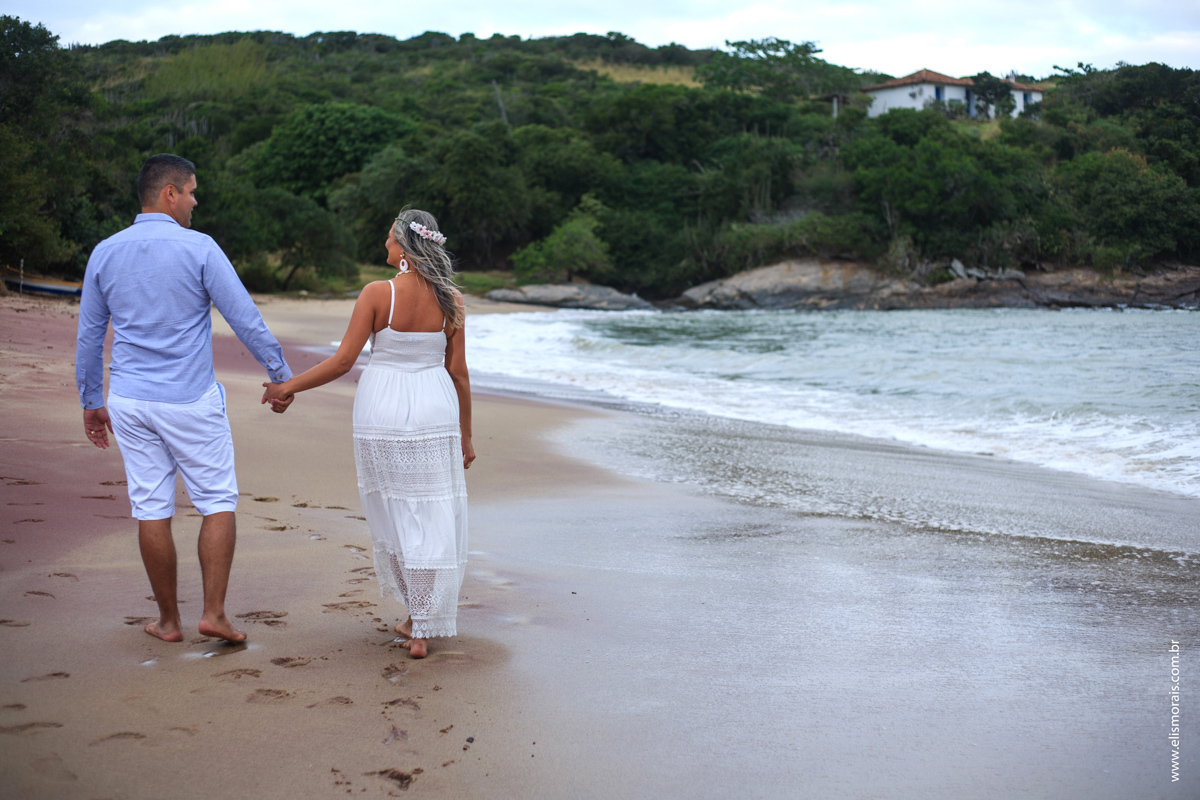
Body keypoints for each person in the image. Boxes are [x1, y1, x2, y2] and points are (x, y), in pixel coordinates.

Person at [76, 153, 294, 644]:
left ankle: (170, 622)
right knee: (216, 500)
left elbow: (90, 336)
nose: (196, 201)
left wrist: (92, 400)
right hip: (188, 399)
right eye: (192, 191)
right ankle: (213, 614)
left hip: (130, 400)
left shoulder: (105, 251)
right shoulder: (199, 248)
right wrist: (279, 374)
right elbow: (243, 315)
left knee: (151, 507)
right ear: (169, 193)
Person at [262, 209, 473, 659]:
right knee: (430, 512)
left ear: (404, 247)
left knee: (394, 509)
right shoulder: (451, 299)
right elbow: (458, 374)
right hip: (435, 408)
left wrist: (288, 386)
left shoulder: (378, 294)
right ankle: (420, 624)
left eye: (389, 239)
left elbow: (342, 363)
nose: (384, 246)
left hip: (383, 408)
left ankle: (417, 618)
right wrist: (467, 436)